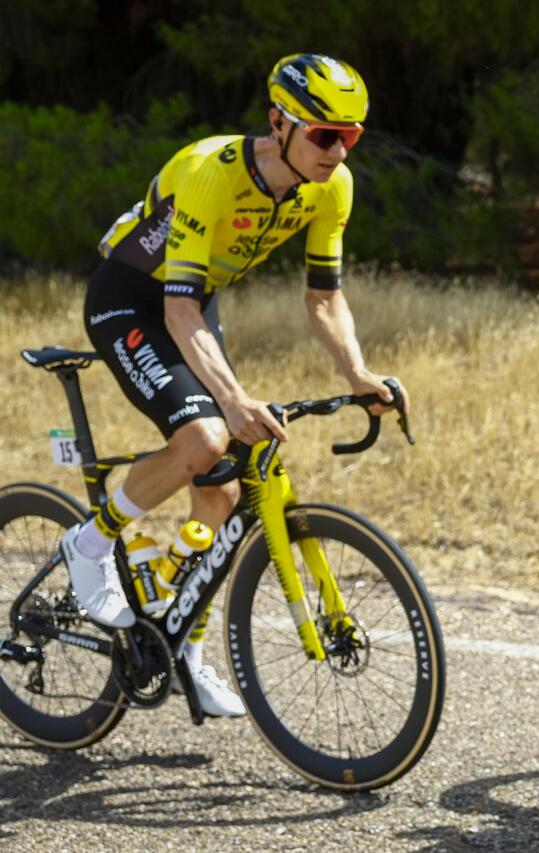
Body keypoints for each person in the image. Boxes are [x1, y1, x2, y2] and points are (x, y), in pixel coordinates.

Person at [63, 53, 407, 717]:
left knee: (221, 489)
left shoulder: (332, 187)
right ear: (278, 122)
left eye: (351, 136)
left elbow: (325, 298)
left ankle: (182, 642)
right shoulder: (210, 171)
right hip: (132, 297)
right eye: (323, 134)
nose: (337, 150)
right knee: (206, 434)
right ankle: (88, 543)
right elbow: (175, 309)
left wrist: (359, 374)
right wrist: (231, 396)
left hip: (194, 299)